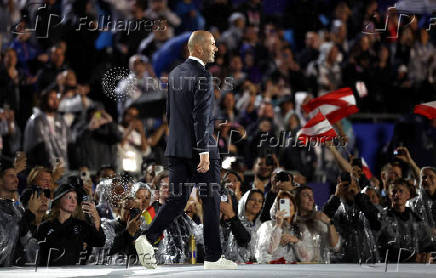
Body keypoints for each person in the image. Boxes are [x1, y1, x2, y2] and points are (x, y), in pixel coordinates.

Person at [135, 31, 237, 270]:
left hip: (177, 148)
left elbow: (169, 115)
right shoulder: (203, 76)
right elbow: (201, 117)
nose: (216, 49)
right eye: (212, 45)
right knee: (210, 199)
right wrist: (203, 152)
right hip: (201, 151)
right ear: (199, 48)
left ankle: (147, 238)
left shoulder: (175, 74)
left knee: (178, 200)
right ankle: (213, 258)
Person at [36, 182, 106, 266]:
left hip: (73, 273)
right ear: (59, 200)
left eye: (75, 198)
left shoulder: (81, 225)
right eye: (69, 197)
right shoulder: (45, 226)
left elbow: (99, 242)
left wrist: (97, 219)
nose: (73, 201)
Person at [323, 173, 381, 263]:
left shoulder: (364, 202)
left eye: (352, 185)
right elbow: (324, 219)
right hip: (341, 261)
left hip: (367, 259)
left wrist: (357, 195)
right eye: (344, 186)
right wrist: (337, 195)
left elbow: (376, 223)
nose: (348, 189)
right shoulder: (334, 205)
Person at [378, 179, 435, 262]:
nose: (397, 194)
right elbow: (382, 246)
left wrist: (426, 255)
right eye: (394, 191)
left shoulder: (417, 219)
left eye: (401, 191)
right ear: (389, 195)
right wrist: (410, 256)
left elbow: (427, 244)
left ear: (408, 195)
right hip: (391, 266)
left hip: (414, 268)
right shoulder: (383, 217)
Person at [0, 162, 39, 266]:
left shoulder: (18, 208)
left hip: (16, 270)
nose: (16, 180)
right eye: (11, 176)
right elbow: (9, 235)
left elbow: (26, 240)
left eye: (16, 176)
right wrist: (30, 213)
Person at [256, 191, 306, 263]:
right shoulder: (267, 226)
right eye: (282, 204)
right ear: (276, 208)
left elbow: (307, 258)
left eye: (290, 205)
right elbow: (267, 252)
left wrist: (296, 241)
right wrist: (278, 225)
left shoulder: (300, 229)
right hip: (275, 270)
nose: (286, 208)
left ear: (295, 209)